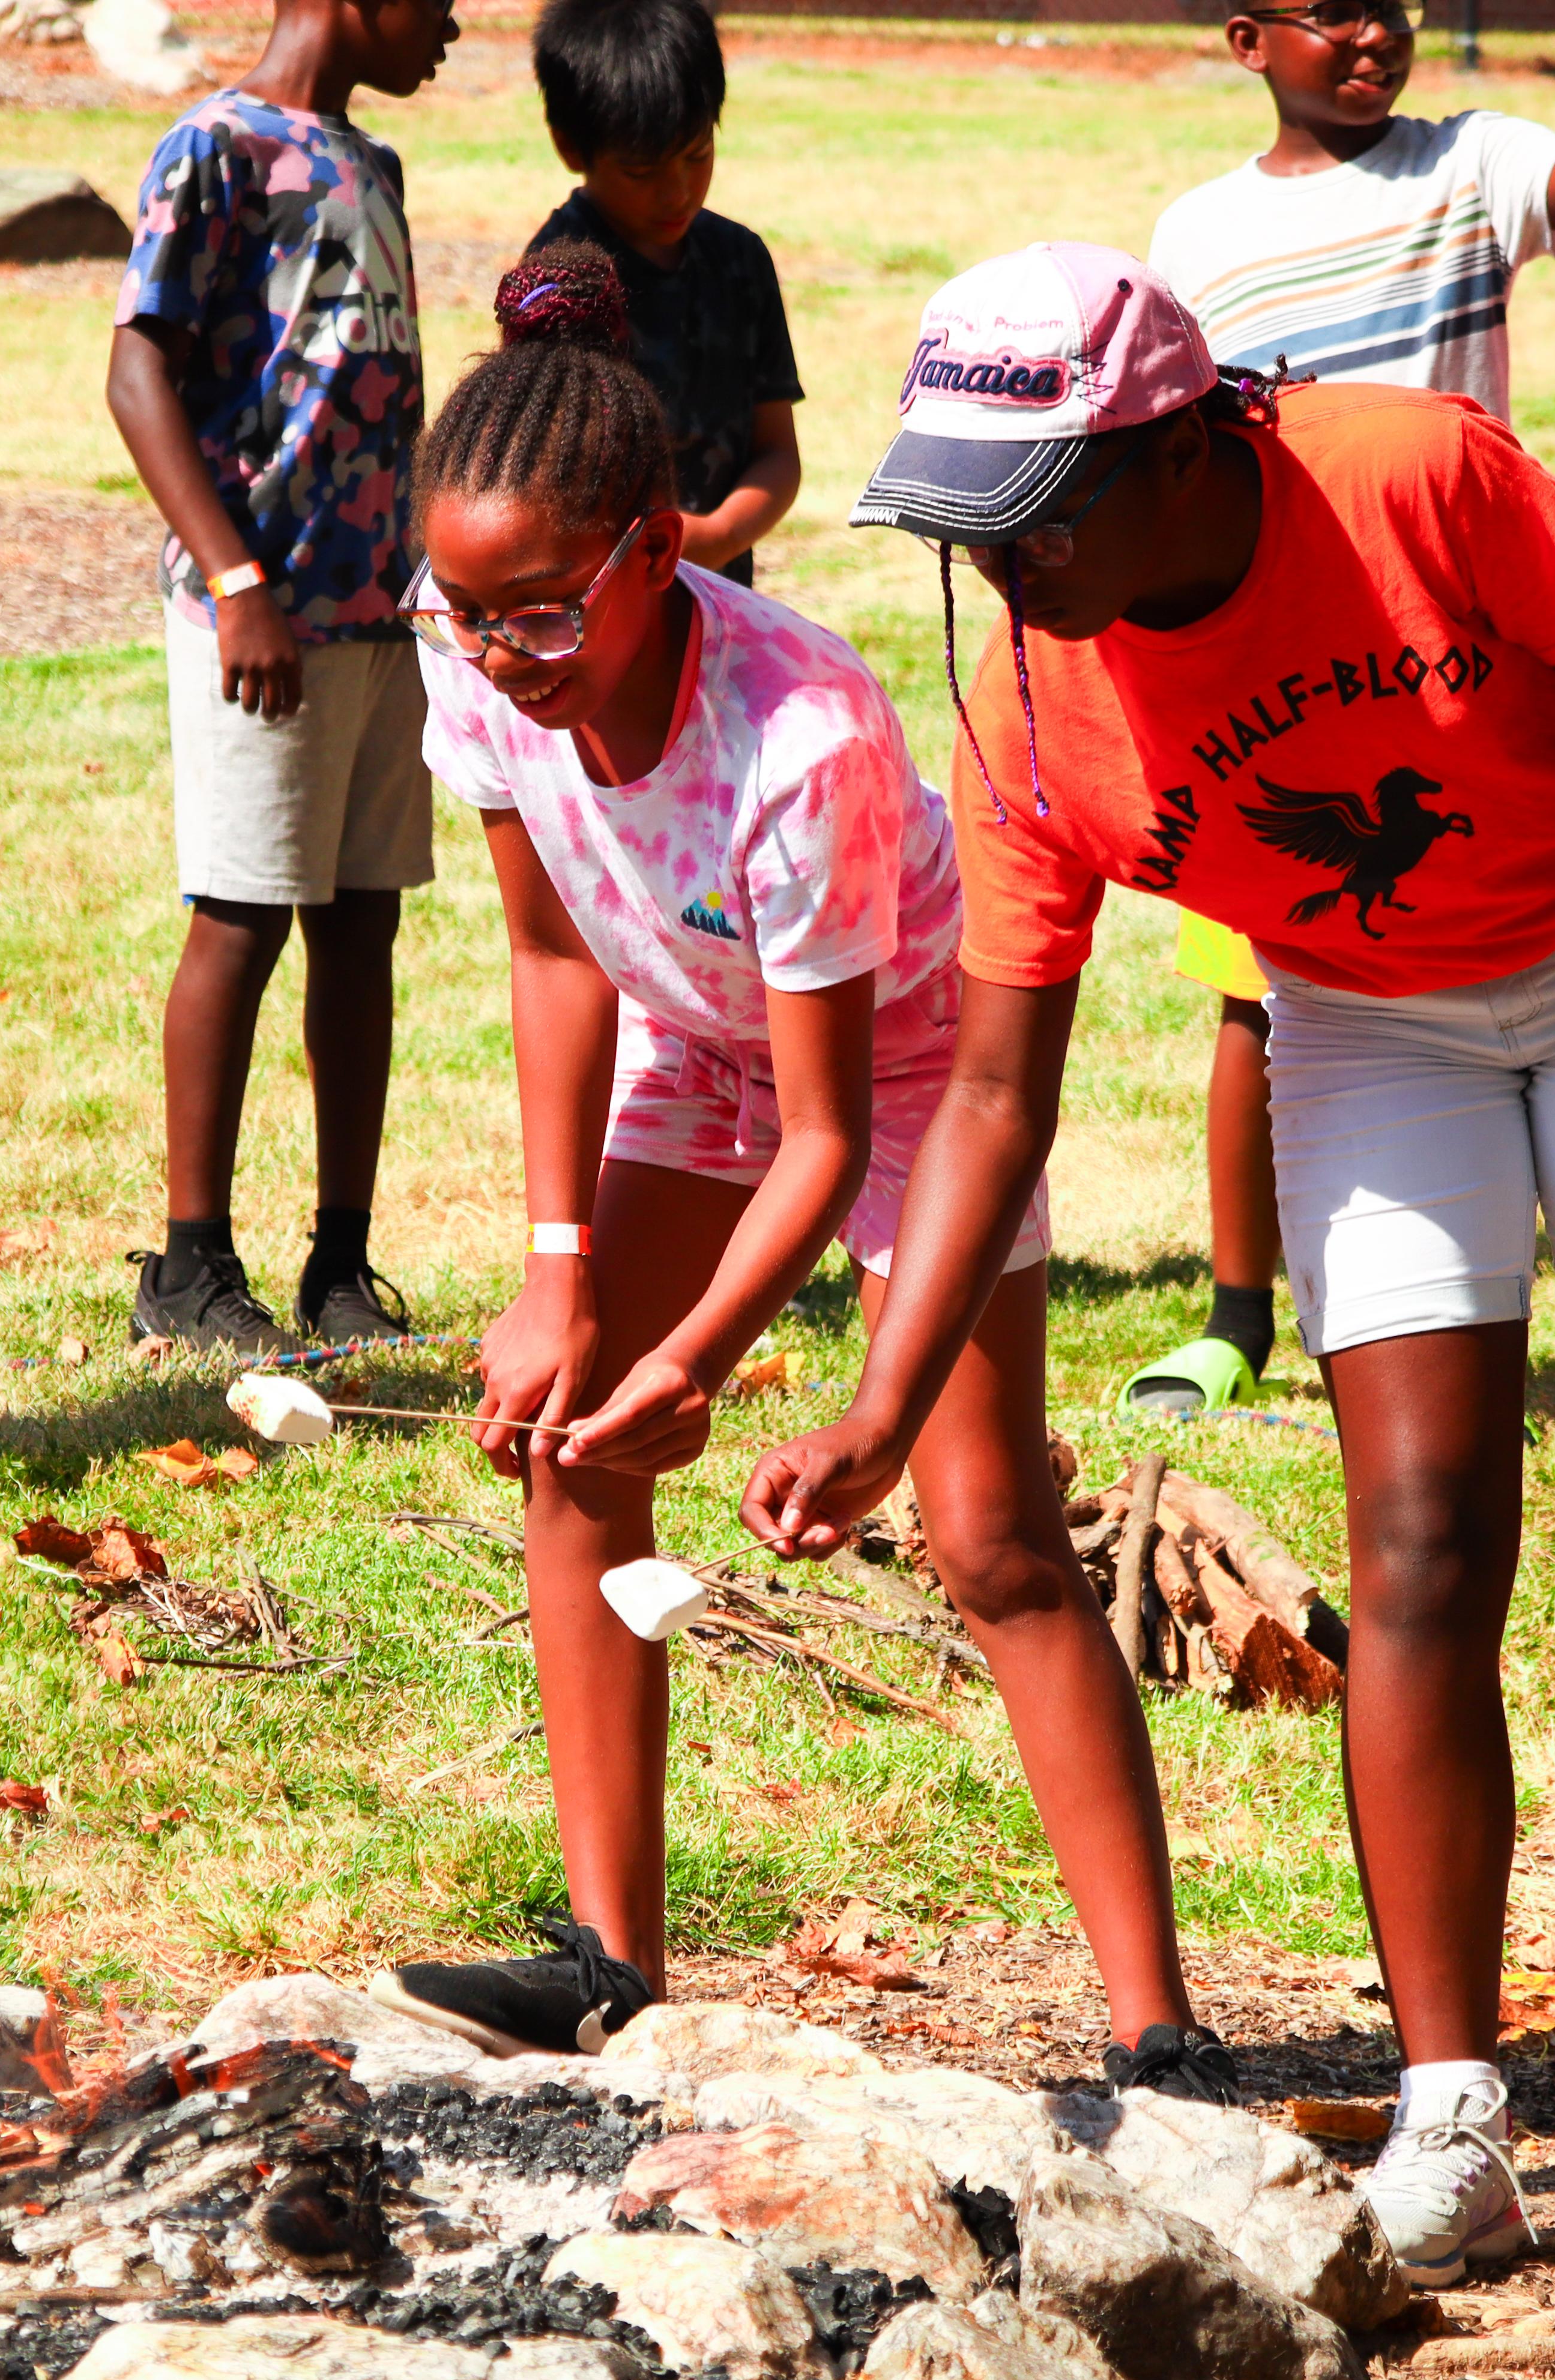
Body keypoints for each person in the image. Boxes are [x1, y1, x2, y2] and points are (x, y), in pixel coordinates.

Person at [747, 246, 1555, 2281]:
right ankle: (1457, 2108)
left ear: (1181, 453)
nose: (999, 568)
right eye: (967, 525)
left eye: (1036, 518)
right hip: (1363, 1015)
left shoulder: (1410, 476)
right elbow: (994, 1106)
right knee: (1424, 1535)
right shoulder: (1028, 708)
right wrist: (878, 1408)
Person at [363, 253, 1223, 2096]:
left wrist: (708, 1354)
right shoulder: (493, 684)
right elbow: (550, 957)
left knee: (988, 1531)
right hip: (699, 1040)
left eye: (534, 611)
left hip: (907, 1076)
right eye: (464, 612)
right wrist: (560, 1267)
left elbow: (831, 1136)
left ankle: (1157, 2022)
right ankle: (609, 1960)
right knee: (576, 1446)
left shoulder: (801, 738)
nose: (501, 653)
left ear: (655, 547)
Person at [1123, 0, 1555, 1424]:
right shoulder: (1194, 236)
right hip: (1284, 683)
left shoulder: (1466, 166)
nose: (1372, 34)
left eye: (1392, 7)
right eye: (1330, 14)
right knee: (1254, 1002)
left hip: (1453, 659)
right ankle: (1240, 1307)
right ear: (1249, 39)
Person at [107, 0, 457, 1355]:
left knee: (362, 929)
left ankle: (344, 1266)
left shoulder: (375, 166)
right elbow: (139, 374)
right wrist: (240, 581)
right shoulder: (215, 146)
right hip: (261, 621)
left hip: (381, 619)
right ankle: (190, 1269)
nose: (450, 26)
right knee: (242, 920)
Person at [523, 0, 803, 586]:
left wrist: (722, 535)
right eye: (642, 173)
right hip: (604, 597)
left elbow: (777, 452)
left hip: (720, 594)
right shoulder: (558, 281)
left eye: (697, 155)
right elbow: (544, 478)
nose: (677, 192)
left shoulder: (740, 261)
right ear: (571, 147)